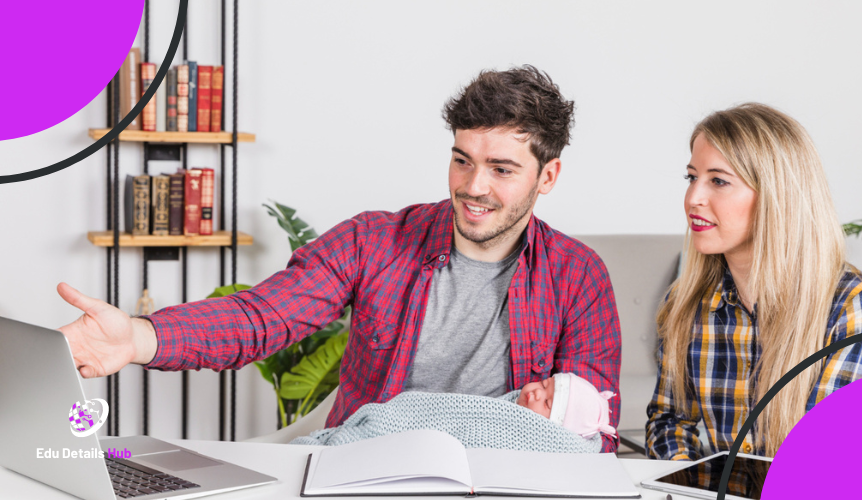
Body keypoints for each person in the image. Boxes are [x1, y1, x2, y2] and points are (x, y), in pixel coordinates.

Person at [57, 65, 622, 452]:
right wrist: (136, 337)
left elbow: (586, 430)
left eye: (501, 168)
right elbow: (262, 317)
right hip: (367, 470)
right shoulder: (373, 241)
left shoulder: (578, 276)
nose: (473, 186)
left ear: (547, 176)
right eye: (461, 159)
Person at [646, 103, 862, 461]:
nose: (693, 198)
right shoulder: (687, 302)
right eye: (692, 177)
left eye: (718, 180)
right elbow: (669, 423)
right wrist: (687, 481)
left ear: (777, 196)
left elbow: (833, 457)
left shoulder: (855, 306)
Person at [292, 373, 616, 452]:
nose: (534, 391)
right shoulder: (510, 402)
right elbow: (444, 413)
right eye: (544, 384)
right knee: (381, 428)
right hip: (406, 418)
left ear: (555, 429)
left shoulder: (539, 439)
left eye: (546, 403)